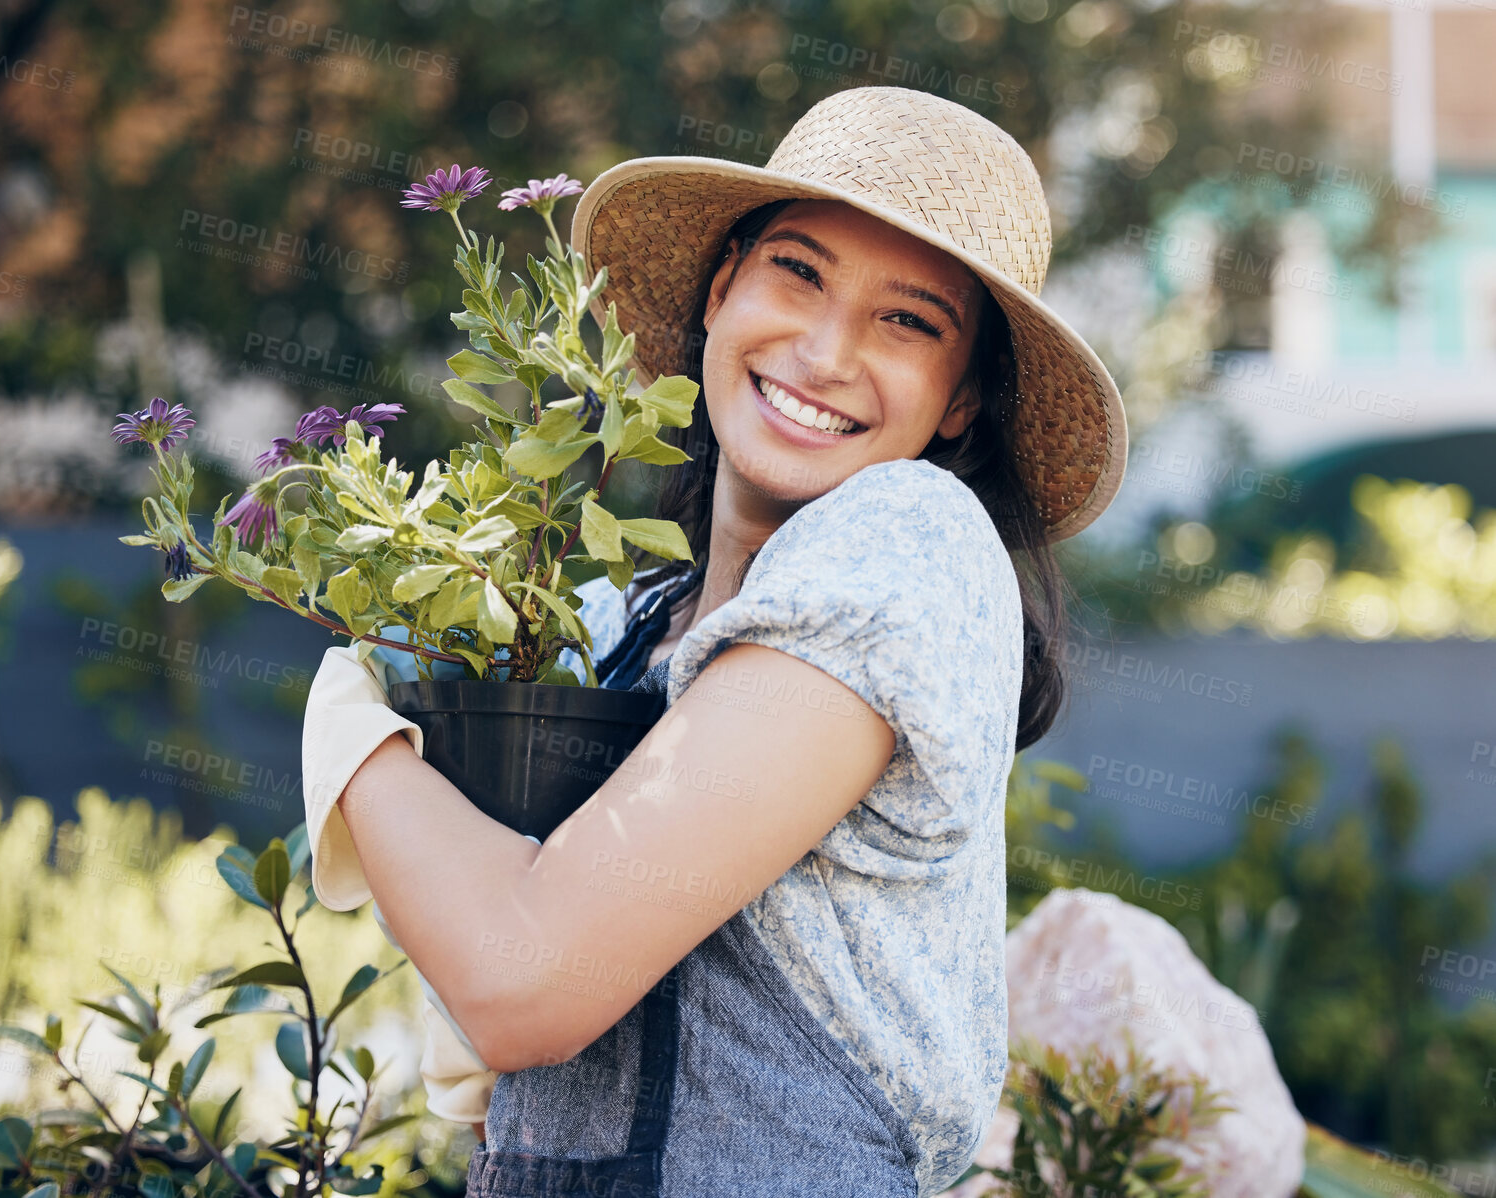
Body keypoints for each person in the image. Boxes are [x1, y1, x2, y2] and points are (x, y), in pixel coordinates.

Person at [300, 85, 1128, 1197]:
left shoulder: (908, 544)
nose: (826, 351)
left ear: (962, 399)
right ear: (722, 287)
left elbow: (523, 982)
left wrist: (352, 726)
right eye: (799, 271)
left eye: (908, 321)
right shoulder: (627, 622)